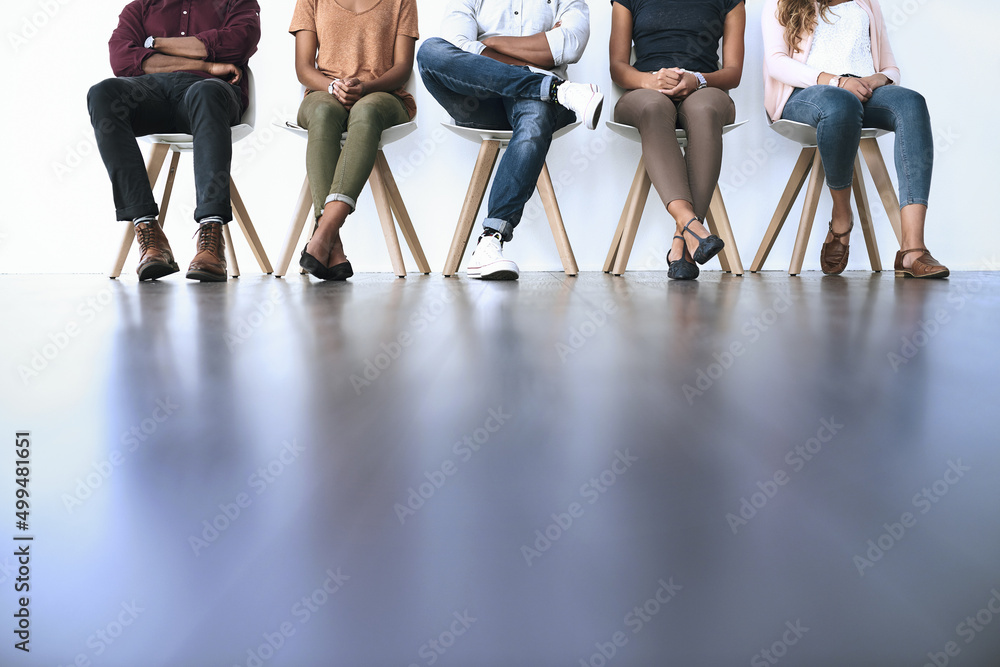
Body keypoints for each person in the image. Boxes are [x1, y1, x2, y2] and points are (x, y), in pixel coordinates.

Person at [417, 0, 604, 280]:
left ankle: (490, 240)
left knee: (535, 116)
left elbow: (570, 44)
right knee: (431, 50)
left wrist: (489, 43)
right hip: (479, 100)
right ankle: (557, 89)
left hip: (537, 104)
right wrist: (537, 51)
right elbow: (456, 45)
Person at [763, 0, 948, 278]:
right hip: (806, 94)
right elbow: (777, 63)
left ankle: (912, 250)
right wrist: (836, 81)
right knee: (840, 103)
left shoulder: (867, 4)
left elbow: (890, 68)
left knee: (912, 103)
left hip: (862, 89)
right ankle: (841, 218)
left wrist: (876, 80)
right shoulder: (782, 2)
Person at [88, 0, 261, 282]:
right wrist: (208, 64)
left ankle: (211, 234)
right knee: (103, 93)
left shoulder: (236, 3)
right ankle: (148, 232)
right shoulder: (140, 7)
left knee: (205, 92)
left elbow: (236, 45)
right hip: (150, 94)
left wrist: (154, 43)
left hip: (208, 95)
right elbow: (121, 59)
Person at [611, 0, 746, 281]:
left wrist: (697, 79)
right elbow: (618, 67)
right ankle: (691, 225)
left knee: (704, 110)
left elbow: (733, 73)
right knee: (654, 107)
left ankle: (681, 242)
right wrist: (652, 82)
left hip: (705, 87)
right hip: (645, 90)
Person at [291, 0, 418, 281]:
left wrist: (366, 87)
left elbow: (403, 67)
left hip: (384, 95)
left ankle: (323, 231)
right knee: (323, 112)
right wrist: (332, 86)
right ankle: (330, 244)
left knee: (367, 109)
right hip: (324, 92)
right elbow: (303, 67)